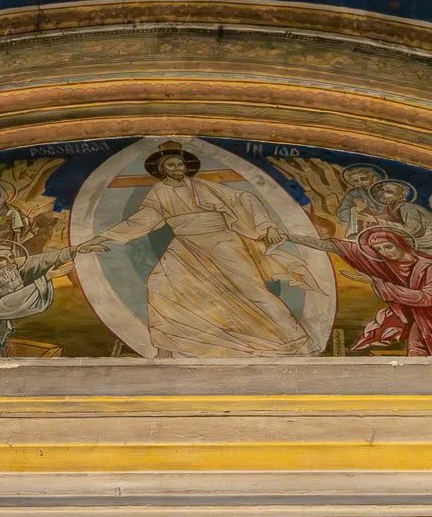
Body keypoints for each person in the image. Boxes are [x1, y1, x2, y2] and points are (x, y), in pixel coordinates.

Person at [74, 143, 316, 358]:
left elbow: (244, 198)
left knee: (250, 288)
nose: (177, 168)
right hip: (186, 243)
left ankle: (295, 340)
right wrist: (103, 237)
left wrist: (267, 225)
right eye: (171, 164)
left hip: (221, 240)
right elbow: (141, 220)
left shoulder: (203, 187)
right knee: (160, 284)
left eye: (180, 164)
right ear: (162, 168)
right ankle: (167, 347)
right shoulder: (159, 192)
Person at [306, 225, 432, 356]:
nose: (385, 252)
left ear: (400, 243)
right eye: (380, 250)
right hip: (426, 317)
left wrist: (377, 283)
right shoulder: (389, 267)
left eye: (388, 246)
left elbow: (427, 297)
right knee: (416, 349)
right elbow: (338, 247)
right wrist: (292, 236)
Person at [335, 163, 386, 236]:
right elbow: (341, 213)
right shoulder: (353, 193)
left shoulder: (383, 191)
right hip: (359, 229)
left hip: (380, 227)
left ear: (372, 175)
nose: (360, 182)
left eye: (363, 179)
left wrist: (369, 210)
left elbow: (388, 212)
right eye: (356, 180)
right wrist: (356, 209)